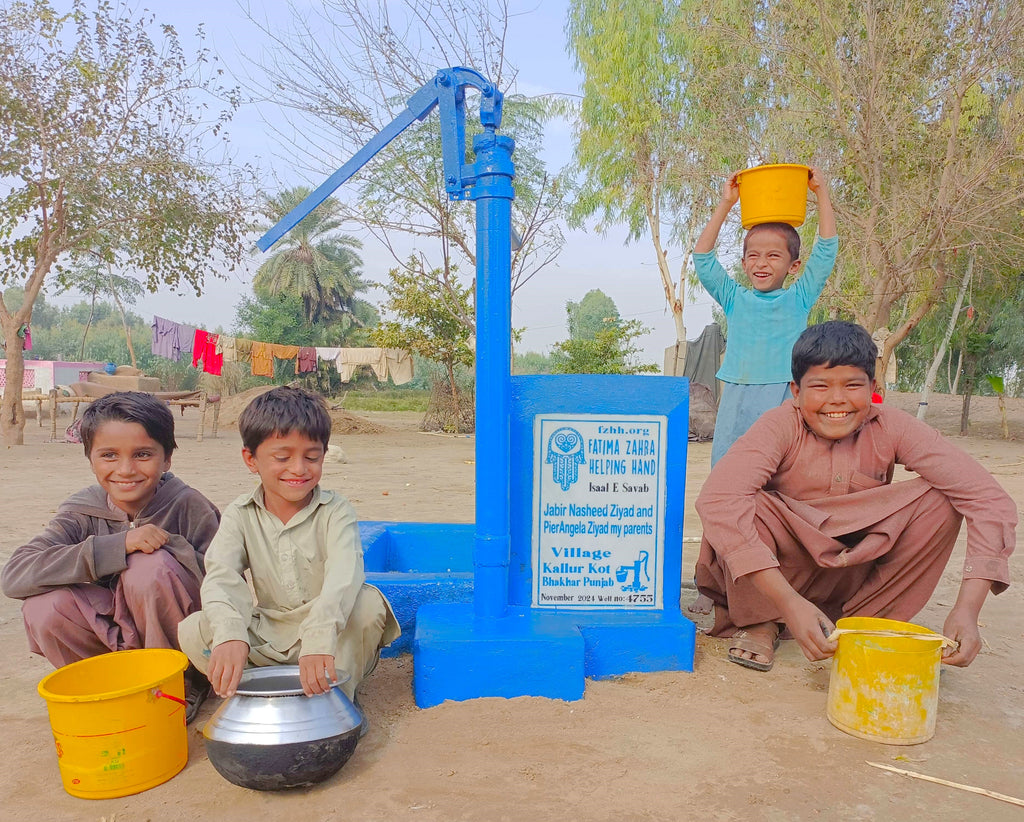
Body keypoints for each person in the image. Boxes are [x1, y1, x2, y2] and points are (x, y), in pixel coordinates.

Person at [693, 321, 1016, 672]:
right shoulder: (779, 425)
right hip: (778, 576)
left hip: (848, 575)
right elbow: (718, 499)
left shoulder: (891, 426)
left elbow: (987, 498)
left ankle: (861, 623)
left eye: (852, 385)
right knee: (744, 502)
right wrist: (789, 603)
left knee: (941, 499)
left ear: (873, 388)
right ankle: (762, 620)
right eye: (819, 386)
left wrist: (967, 609)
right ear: (795, 392)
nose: (837, 399)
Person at [178, 386, 399, 723]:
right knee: (195, 629)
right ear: (251, 459)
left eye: (312, 457)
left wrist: (319, 638)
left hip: (328, 635)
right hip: (267, 636)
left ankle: (338, 703)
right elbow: (222, 577)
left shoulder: (335, 512)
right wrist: (231, 634)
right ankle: (257, 701)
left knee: (368, 604)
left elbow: (344, 577)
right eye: (282, 458)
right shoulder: (239, 514)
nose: (299, 469)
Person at [1, 391, 220, 721]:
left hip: (185, 644)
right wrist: (117, 546)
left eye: (143, 454)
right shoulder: (81, 511)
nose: (126, 469)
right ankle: (111, 686)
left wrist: (168, 552)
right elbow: (15, 576)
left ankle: (182, 684)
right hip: (117, 637)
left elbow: (224, 584)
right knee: (43, 607)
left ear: (167, 459)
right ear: (90, 459)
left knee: (149, 567)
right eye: (109, 456)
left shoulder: (189, 505)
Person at [688, 166, 837, 614]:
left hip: (783, 404)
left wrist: (821, 195)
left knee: (777, 494)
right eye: (753, 255)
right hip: (735, 402)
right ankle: (709, 583)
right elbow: (701, 258)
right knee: (723, 491)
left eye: (773, 256)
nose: (760, 263)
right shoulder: (735, 298)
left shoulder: (799, 297)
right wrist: (726, 203)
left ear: (793, 266)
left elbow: (826, 250)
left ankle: (777, 590)